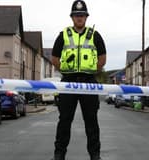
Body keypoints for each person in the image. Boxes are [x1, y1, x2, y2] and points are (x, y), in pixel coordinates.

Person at [51, 0, 106, 160]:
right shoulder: (64, 35)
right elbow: (54, 58)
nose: (79, 18)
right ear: (72, 17)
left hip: (89, 82)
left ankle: (95, 155)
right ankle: (59, 154)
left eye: (82, 15)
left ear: (86, 17)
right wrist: (65, 70)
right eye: (76, 15)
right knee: (64, 120)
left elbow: (102, 58)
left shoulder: (95, 35)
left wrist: (92, 71)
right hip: (68, 82)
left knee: (91, 121)